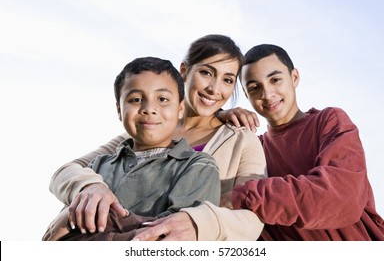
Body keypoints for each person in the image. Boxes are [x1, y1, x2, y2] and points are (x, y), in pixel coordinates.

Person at [47, 34, 267, 241]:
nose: (214, 89)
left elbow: (252, 217)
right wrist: (88, 188)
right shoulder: (144, 131)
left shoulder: (241, 140)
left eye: (228, 80)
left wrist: (200, 222)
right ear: (184, 71)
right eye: (207, 73)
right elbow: (66, 172)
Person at [44, 56, 221, 240]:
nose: (149, 108)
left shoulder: (198, 165)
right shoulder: (98, 166)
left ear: (180, 109)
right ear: (119, 111)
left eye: (162, 99)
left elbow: (168, 237)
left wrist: (97, 222)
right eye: (136, 99)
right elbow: (59, 236)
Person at [228, 44, 384, 240]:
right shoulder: (254, 149)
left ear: (294, 77)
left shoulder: (329, 121)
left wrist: (242, 196)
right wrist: (218, 119)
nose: (267, 94)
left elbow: (340, 197)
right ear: (247, 96)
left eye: (275, 80)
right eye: (254, 88)